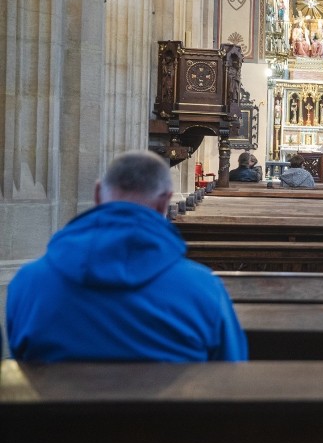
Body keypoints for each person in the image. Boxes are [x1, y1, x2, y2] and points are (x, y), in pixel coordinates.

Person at [5, 151, 248, 362]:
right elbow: (229, 370)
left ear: (98, 193)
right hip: (170, 417)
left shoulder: (28, 283)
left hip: (55, 416)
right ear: (164, 201)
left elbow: (20, 360)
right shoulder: (203, 288)